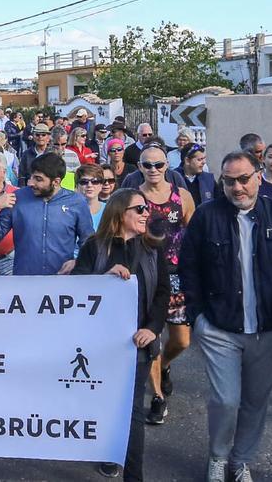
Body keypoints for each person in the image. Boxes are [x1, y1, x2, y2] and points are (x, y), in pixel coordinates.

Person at [179, 150, 272, 482]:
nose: (237, 187)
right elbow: (188, 267)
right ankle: (218, 456)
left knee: (255, 400)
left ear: (258, 177)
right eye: (229, 180)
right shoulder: (206, 216)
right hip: (219, 326)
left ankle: (241, 459)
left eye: (244, 179)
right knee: (226, 399)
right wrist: (197, 316)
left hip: (268, 327)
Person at [72, 189, 170, 481]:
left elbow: (163, 292)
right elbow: (76, 286)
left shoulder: (153, 247)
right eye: (138, 209)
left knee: (132, 412)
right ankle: (109, 452)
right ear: (119, 213)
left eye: (146, 209)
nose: (145, 214)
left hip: (136, 345)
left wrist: (151, 329)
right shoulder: (95, 247)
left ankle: (133, 475)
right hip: (100, 345)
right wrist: (103, 278)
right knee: (104, 406)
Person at [135, 146, 196, 426]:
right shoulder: (134, 198)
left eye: (158, 165)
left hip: (177, 274)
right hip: (146, 274)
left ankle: (167, 366)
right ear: (139, 166)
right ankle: (157, 397)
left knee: (182, 340)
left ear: (167, 165)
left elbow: (194, 234)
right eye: (147, 165)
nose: (153, 170)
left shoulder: (181, 196)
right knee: (152, 339)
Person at [0, 153, 93, 275]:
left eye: (38, 179)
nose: (31, 183)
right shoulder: (17, 198)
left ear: (56, 182)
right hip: (25, 281)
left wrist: (78, 261)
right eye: (31, 177)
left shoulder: (77, 202)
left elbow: (88, 241)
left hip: (62, 282)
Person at [74, 164, 106, 229]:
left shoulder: (110, 210)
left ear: (101, 185)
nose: (89, 185)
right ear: (76, 186)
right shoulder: (69, 211)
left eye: (95, 181)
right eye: (84, 182)